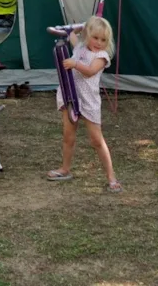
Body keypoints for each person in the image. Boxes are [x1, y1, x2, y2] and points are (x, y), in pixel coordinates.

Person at [46, 15, 121, 191]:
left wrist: (75, 64)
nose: (99, 42)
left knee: (96, 140)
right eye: (95, 37)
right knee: (68, 135)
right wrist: (80, 26)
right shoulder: (79, 47)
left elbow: (89, 71)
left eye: (103, 39)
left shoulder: (102, 56)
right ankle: (65, 169)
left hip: (89, 102)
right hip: (70, 96)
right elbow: (71, 33)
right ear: (87, 35)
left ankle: (111, 177)